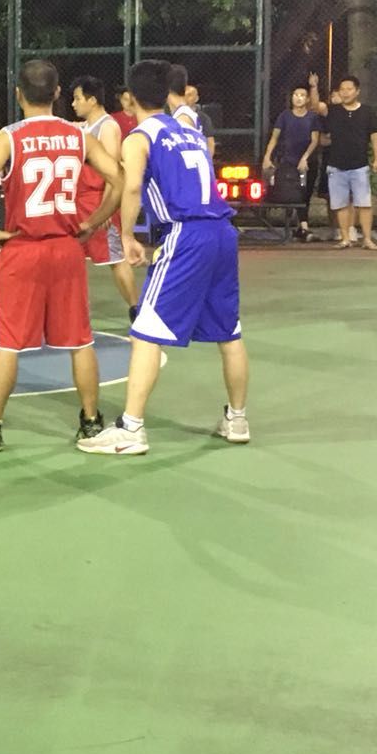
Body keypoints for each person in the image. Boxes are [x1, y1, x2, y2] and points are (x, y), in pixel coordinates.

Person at [78, 59, 250, 456]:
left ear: (130, 98)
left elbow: (131, 188)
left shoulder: (139, 137)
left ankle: (131, 429)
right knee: (229, 332)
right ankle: (237, 418)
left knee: (145, 331)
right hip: (223, 232)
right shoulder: (189, 129)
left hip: (186, 235)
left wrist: (126, 235)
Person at [0, 59, 124, 452]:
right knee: (81, 340)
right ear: (58, 93)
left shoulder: (9, 137)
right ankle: (90, 423)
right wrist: (94, 221)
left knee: (9, 344)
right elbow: (117, 178)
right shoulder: (78, 135)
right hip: (66, 248)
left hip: (22, 248)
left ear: (18, 94)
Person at [70, 75, 141, 319]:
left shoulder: (107, 127)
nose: (73, 103)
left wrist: (106, 209)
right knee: (72, 256)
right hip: (80, 201)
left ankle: (136, 310)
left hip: (98, 200)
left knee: (115, 259)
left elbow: (114, 174)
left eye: (77, 98)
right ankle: (71, 310)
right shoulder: (85, 127)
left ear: (92, 100)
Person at [312, 75, 377, 250]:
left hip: (360, 165)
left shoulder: (367, 112)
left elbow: (375, 135)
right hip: (336, 165)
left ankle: (367, 239)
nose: (345, 92)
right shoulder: (333, 111)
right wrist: (313, 87)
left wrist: (376, 159)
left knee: (364, 204)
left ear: (357, 91)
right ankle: (345, 239)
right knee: (340, 204)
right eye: (342, 89)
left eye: (349, 89)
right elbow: (316, 106)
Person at [261, 83, 323, 241]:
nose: (298, 98)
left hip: (308, 162)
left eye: (302, 95)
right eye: (296, 95)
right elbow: (274, 138)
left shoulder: (312, 117)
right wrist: (267, 156)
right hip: (288, 162)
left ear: (307, 99)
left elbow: (314, 140)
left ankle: (302, 227)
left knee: (306, 194)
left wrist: (305, 158)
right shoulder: (284, 116)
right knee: (292, 193)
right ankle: (301, 228)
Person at [169, 68, 217, 157]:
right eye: (185, 95)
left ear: (197, 98)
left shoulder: (203, 118)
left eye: (190, 95)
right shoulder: (171, 115)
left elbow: (210, 142)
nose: (187, 98)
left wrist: (208, 159)